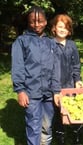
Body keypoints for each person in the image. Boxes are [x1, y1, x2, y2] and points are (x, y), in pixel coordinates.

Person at [11, 6, 61, 145]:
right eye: (33, 21)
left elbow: (56, 68)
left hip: (49, 93)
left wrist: (56, 91)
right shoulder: (22, 41)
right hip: (31, 93)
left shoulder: (51, 42)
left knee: (47, 125)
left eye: (40, 21)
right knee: (33, 126)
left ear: (46, 22)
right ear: (28, 22)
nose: (37, 24)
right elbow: (18, 66)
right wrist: (20, 90)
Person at [50, 14, 83, 145]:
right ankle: (60, 138)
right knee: (59, 115)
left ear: (69, 30)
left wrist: (77, 80)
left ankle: (77, 137)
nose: (62, 29)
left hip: (70, 85)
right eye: (60, 26)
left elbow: (76, 65)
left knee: (75, 111)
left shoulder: (72, 45)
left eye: (66, 27)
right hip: (56, 85)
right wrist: (55, 90)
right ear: (54, 28)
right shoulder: (50, 45)